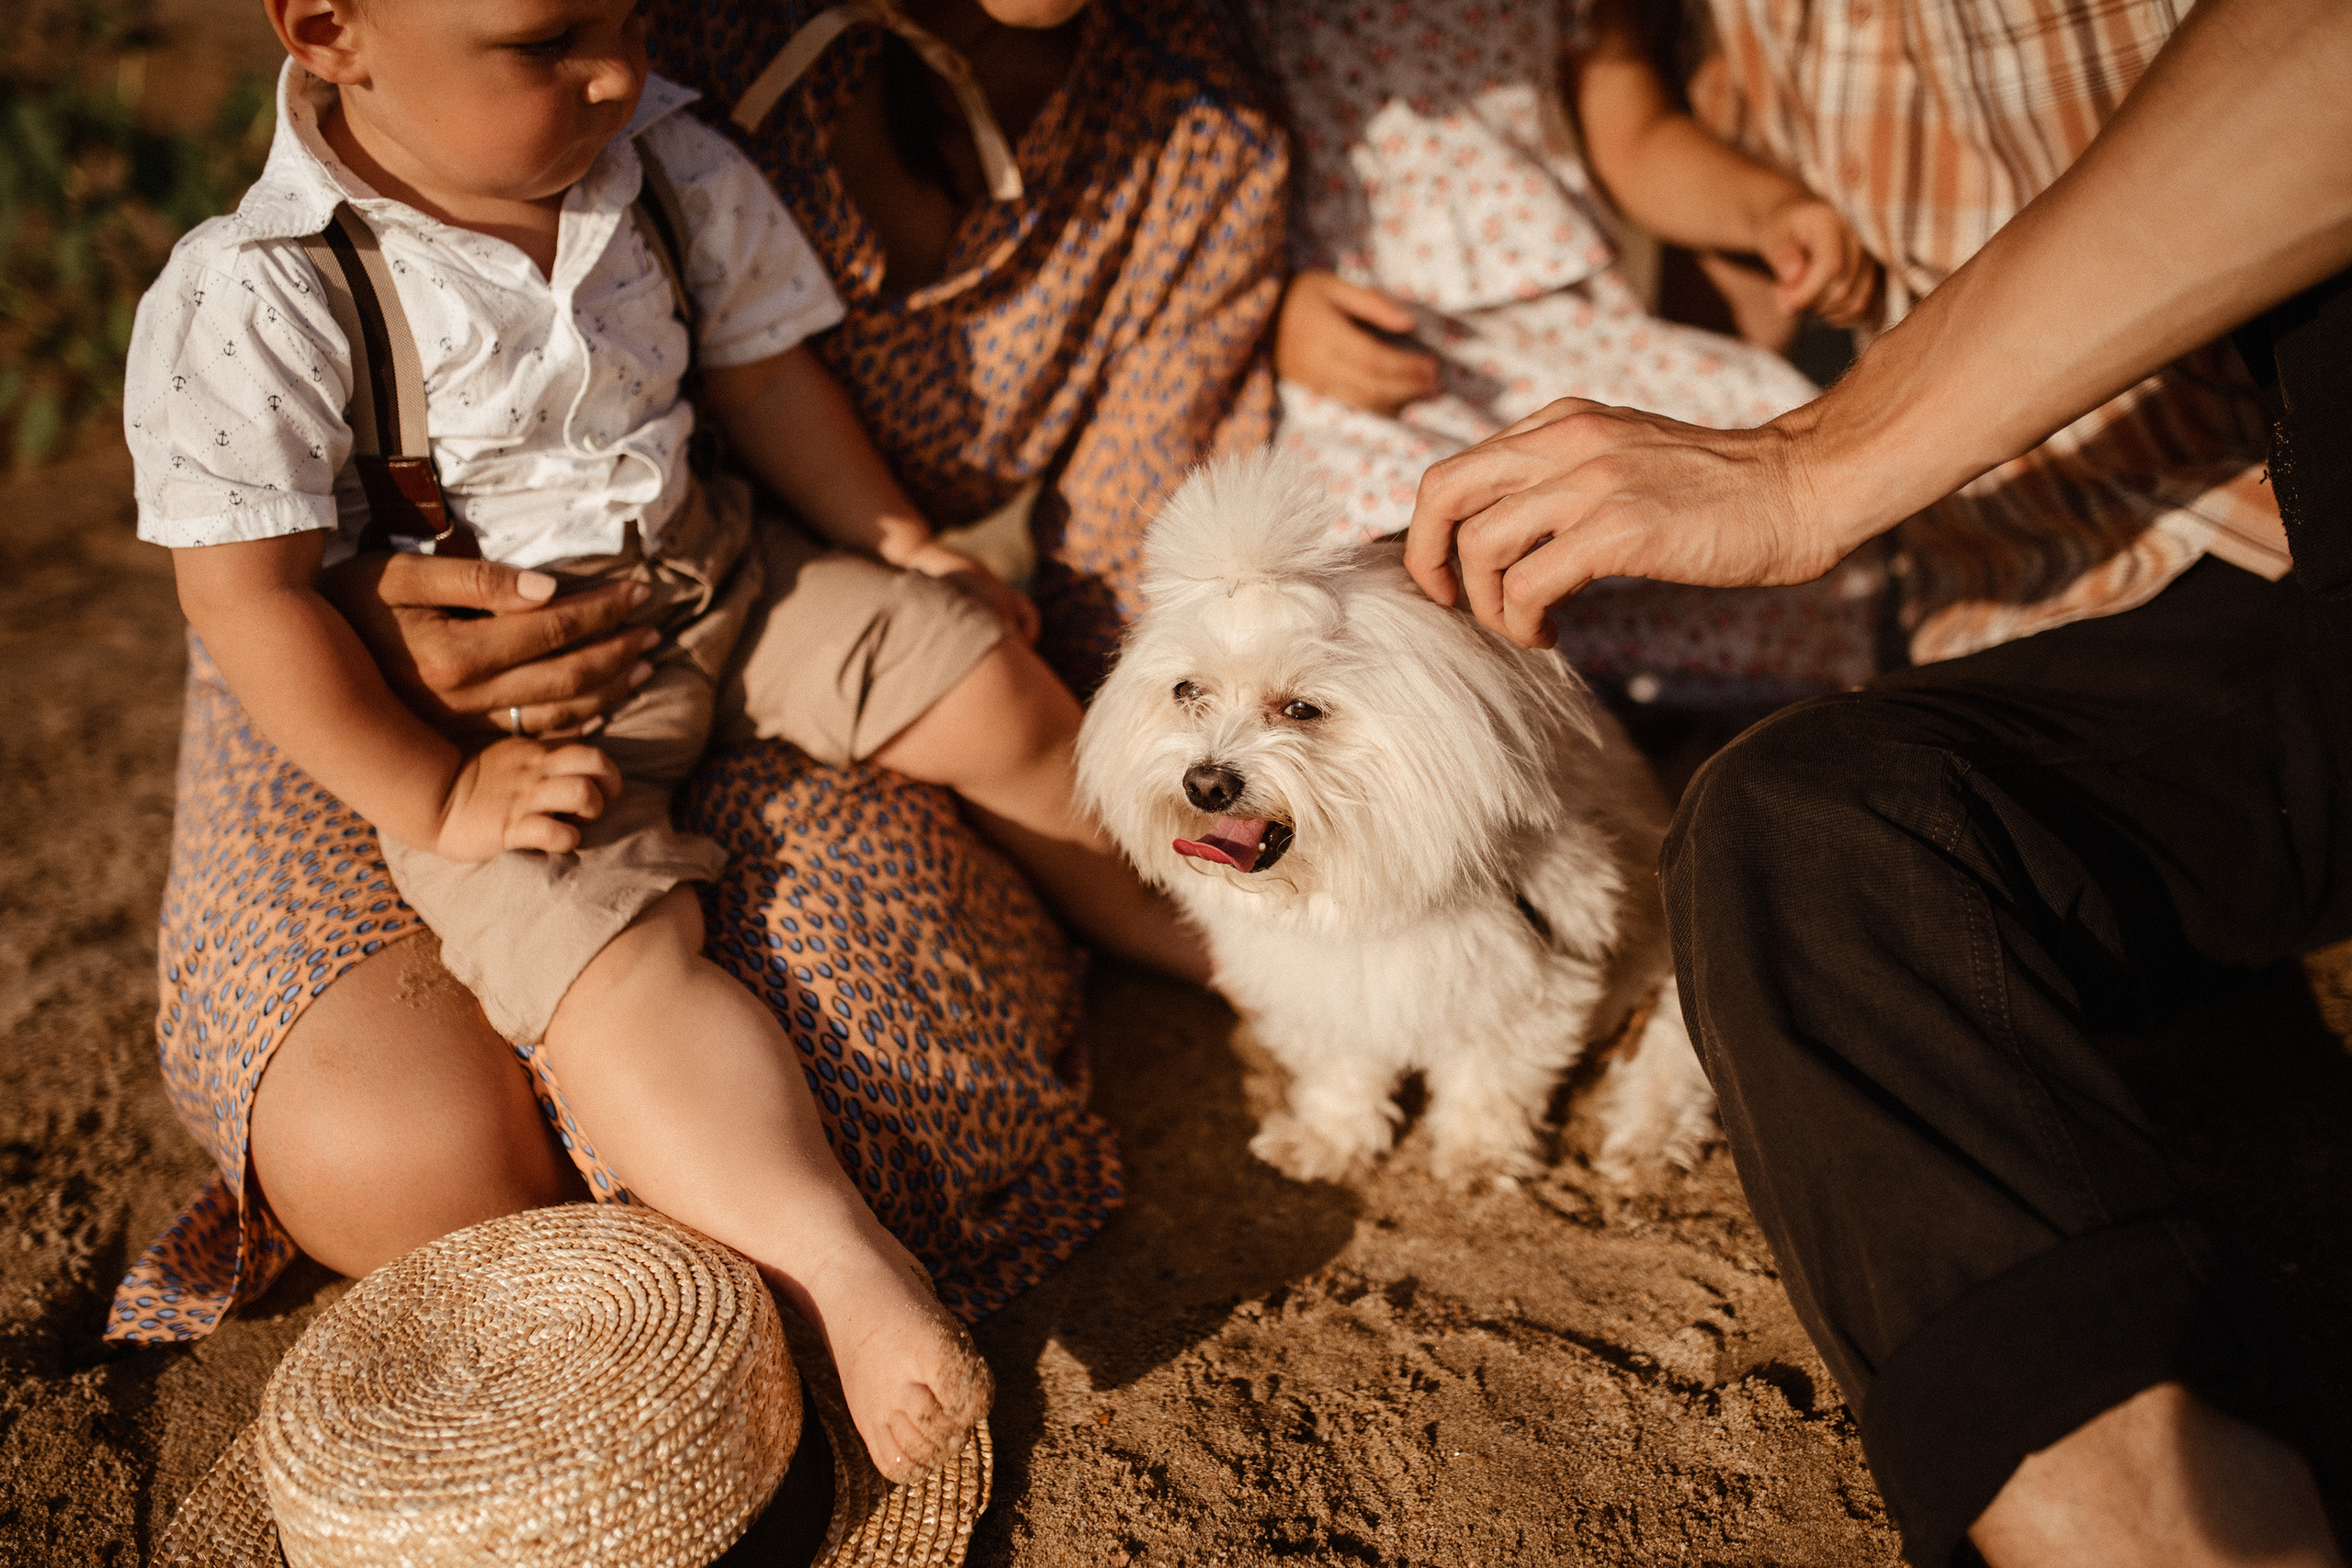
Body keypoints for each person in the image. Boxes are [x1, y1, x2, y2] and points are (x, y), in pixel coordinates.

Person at [109, 0, 1207, 1478]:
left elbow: (760, 381)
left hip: (723, 578)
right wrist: (442, 788)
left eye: (624, 13)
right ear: (329, 29)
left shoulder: (665, 157)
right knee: (611, 966)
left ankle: (1196, 933)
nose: (617, 66)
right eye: (545, 39)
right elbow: (249, 603)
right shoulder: (256, 295)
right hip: (506, 713)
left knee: (991, 688)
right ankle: (840, 1267)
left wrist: (896, 537)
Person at [1404, 0, 2352, 1560]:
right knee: (1791, 830)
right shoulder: (1733, 34)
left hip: (2288, 493)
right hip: (2133, 630)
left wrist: (1809, 464)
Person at [639, 0, 1289, 695]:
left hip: (904, 651)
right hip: (635, 622)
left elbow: (1127, 562)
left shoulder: (1196, 117)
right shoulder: (651, 40)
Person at [1258, 0, 1885, 706]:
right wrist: (1274, 314)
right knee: (1378, 550)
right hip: (1365, 345)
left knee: (1722, 472)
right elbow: (1208, 179)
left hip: (1558, 331)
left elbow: (1639, 139)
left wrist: (1766, 212)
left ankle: (1691, 719)